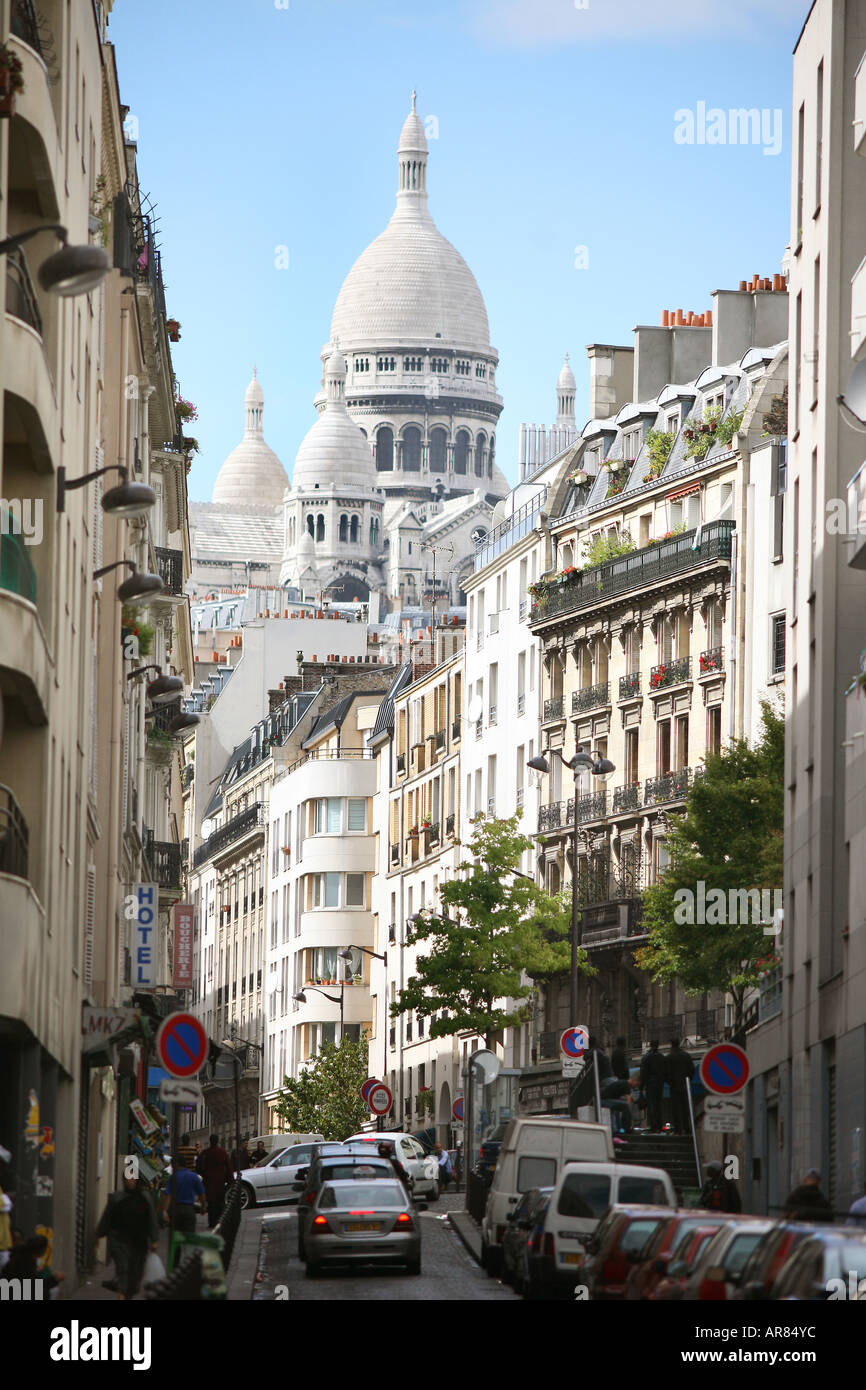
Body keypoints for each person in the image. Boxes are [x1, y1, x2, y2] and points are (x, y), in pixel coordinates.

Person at [94, 1174, 158, 1300]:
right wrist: (98, 1235)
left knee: (135, 1273)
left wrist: (154, 1239)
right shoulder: (117, 1198)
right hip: (119, 1240)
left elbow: (151, 1219)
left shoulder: (145, 1198)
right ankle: (122, 1294)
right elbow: (107, 1218)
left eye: (133, 1178)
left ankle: (126, 1294)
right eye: (128, 1179)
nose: (130, 1181)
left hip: (139, 1242)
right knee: (123, 1268)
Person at [160, 1153, 205, 1234]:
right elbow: (202, 1194)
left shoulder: (173, 1177)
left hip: (175, 1210)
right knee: (189, 1236)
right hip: (189, 1209)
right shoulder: (194, 1176)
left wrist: (164, 1211)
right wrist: (203, 1207)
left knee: (175, 1238)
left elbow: (168, 1195)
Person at [197, 1133, 234, 1228]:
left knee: (211, 1201)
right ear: (217, 1141)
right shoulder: (222, 1152)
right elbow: (229, 1167)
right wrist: (230, 1181)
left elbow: (199, 1166)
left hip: (208, 1181)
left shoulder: (205, 1153)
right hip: (220, 1181)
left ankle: (211, 1221)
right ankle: (218, 1220)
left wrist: (203, 1174)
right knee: (219, 1201)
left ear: (210, 1141)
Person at [666, 1039, 695, 1134]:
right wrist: (688, 1080)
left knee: (675, 1108)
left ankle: (678, 1129)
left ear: (671, 1045)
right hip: (685, 1085)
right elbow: (692, 1070)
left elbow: (666, 1072)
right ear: (679, 1044)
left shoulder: (669, 1057)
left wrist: (670, 1081)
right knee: (685, 1107)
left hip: (674, 1086)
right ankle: (687, 1128)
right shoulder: (686, 1056)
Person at [640, 1040, 668, 1132]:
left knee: (651, 1104)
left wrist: (641, 1086)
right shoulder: (662, 1057)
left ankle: (653, 1125)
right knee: (658, 1104)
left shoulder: (647, 1057)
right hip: (659, 1084)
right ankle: (659, 1125)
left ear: (650, 1045)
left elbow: (643, 1072)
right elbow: (665, 1071)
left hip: (650, 1084)